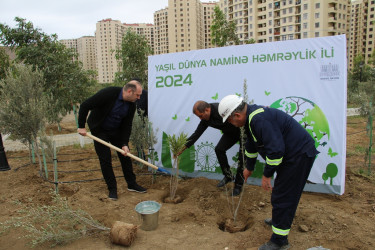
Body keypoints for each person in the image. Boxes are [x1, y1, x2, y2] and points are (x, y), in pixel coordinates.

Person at [218, 95, 319, 250]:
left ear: (236, 115)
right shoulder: (251, 119)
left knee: (284, 196)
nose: (232, 124)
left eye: (230, 120)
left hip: (298, 155)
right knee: (282, 192)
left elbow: (276, 151)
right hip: (292, 155)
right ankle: (280, 220)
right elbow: (252, 146)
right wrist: (249, 168)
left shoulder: (258, 120)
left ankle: (279, 242)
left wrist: (266, 175)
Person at [77, 80, 147, 201]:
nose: (139, 97)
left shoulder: (131, 105)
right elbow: (85, 105)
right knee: (105, 160)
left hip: (116, 131)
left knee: (125, 156)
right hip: (100, 130)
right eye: (137, 95)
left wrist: (124, 143)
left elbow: (127, 125)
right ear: (129, 91)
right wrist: (81, 126)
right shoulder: (109, 93)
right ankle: (112, 189)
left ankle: (132, 184)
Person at [177, 100, 244, 196]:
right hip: (230, 133)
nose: (200, 119)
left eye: (200, 116)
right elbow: (196, 134)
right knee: (219, 149)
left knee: (242, 157)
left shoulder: (221, 109)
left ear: (207, 110)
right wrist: (182, 147)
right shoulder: (205, 120)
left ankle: (238, 186)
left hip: (242, 130)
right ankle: (228, 175)